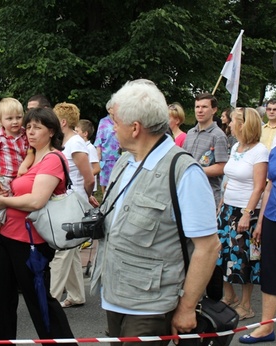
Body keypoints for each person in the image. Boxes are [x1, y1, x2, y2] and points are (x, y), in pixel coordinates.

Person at [90, 80, 221, 346]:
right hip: (115, 296)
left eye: (115, 121)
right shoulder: (125, 162)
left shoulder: (184, 172)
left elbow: (208, 247)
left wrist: (186, 308)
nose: (112, 127)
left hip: (151, 306)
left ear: (135, 127)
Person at [0, 107, 77, 343]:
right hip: (9, 237)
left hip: (31, 243)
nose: (30, 131)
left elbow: (37, 200)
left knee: (40, 303)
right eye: (28, 127)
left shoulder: (53, 158)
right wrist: (7, 192)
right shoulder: (31, 157)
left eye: (37, 127)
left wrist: (3, 200)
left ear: (52, 130)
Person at [216, 108, 267, 321]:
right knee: (220, 253)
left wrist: (247, 214)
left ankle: (246, 305)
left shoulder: (260, 151)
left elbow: (259, 187)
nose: (229, 125)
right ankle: (229, 296)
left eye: (233, 121)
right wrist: (221, 203)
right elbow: (230, 179)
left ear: (244, 124)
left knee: (244, 258)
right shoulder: (237, 146)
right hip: (227, 208)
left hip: (246, 211)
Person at [50, 102, 96, 308]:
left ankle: (49, 297)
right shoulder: (66, 143)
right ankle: (76, 295)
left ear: (63, 122)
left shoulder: (76, 143)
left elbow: (89, 177)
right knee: (71, 251)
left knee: (63, 249)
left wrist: (87, 196)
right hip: (67, 203)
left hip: (74, 204)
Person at [0, 97, 33, 265]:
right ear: (0, 120)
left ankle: (8, 237)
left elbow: (30, 153)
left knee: (16, 210)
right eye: (9, 118)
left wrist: (24, 166)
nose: (15, 122)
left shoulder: (25, 134)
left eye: (18, 117)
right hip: (1, 178)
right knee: (1, 210)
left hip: (18, 177)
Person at [238, 140, 276, 344]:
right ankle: (266, 327)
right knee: (271, 272)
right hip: (273, 217)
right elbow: (269, 187)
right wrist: (261, 222)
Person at [183, 93, 229, 207]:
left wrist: (195, 170)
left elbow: (222, 167)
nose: (200, 110)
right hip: (187, 191)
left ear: (214, 110)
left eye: (204, 107)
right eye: (197, 107)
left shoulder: (218, 136)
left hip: (207, 195)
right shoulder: (190, 133)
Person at [94, 99, 120, 193]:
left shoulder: (121, 120)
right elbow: (98, 141)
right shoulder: (103, 122)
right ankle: (104, 199)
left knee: (117, 180)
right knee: (105, 182)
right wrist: (99, 158)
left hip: (120, 156)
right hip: (107, 157)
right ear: (109, 110)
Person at [75, 119, 100, 192]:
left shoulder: (90, 148)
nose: (74, 134)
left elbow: (97, 168)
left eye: (77, 132)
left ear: (85, 133)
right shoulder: (80, 146)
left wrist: (85, 177)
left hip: (88, 187)